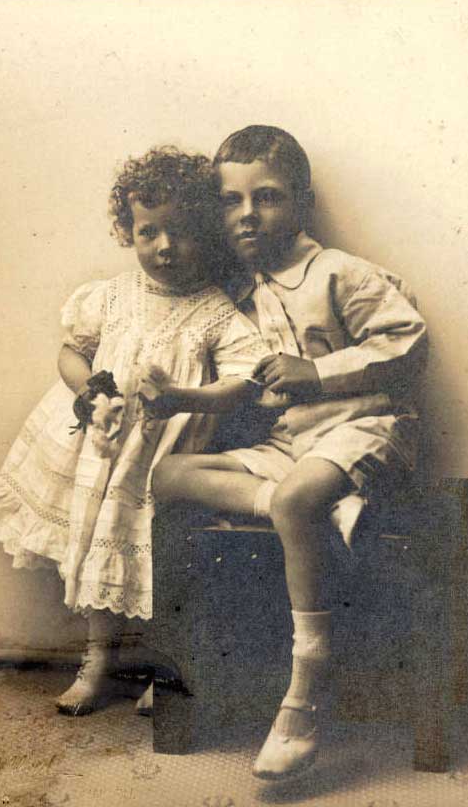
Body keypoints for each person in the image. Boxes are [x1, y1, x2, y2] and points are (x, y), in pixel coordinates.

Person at [152, 126, 428, 780]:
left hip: (362, 426)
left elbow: (406, 342)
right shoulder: (234, 290)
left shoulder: (339, 272)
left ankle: (305, 688)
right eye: (230, 200)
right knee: (167, 474)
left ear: (302, 201)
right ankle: (294, 506)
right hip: (290, 443)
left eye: (267, 196)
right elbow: (241, 375)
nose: (247, 214)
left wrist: (319, 371)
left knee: (301, 493)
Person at [0, 146, 270, 717]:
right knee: (95, 552)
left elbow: (243, 382)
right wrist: (91, 391)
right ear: (128, 231)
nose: (164, 247)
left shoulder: (217, 312)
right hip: (99, 447)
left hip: (161, 461)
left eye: (180, 231)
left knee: (157, 562)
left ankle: (164, 665)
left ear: (205, 230)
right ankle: (96, 662)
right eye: (148, 231)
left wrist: (181, 398)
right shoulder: (111, 295)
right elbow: (72, 352)